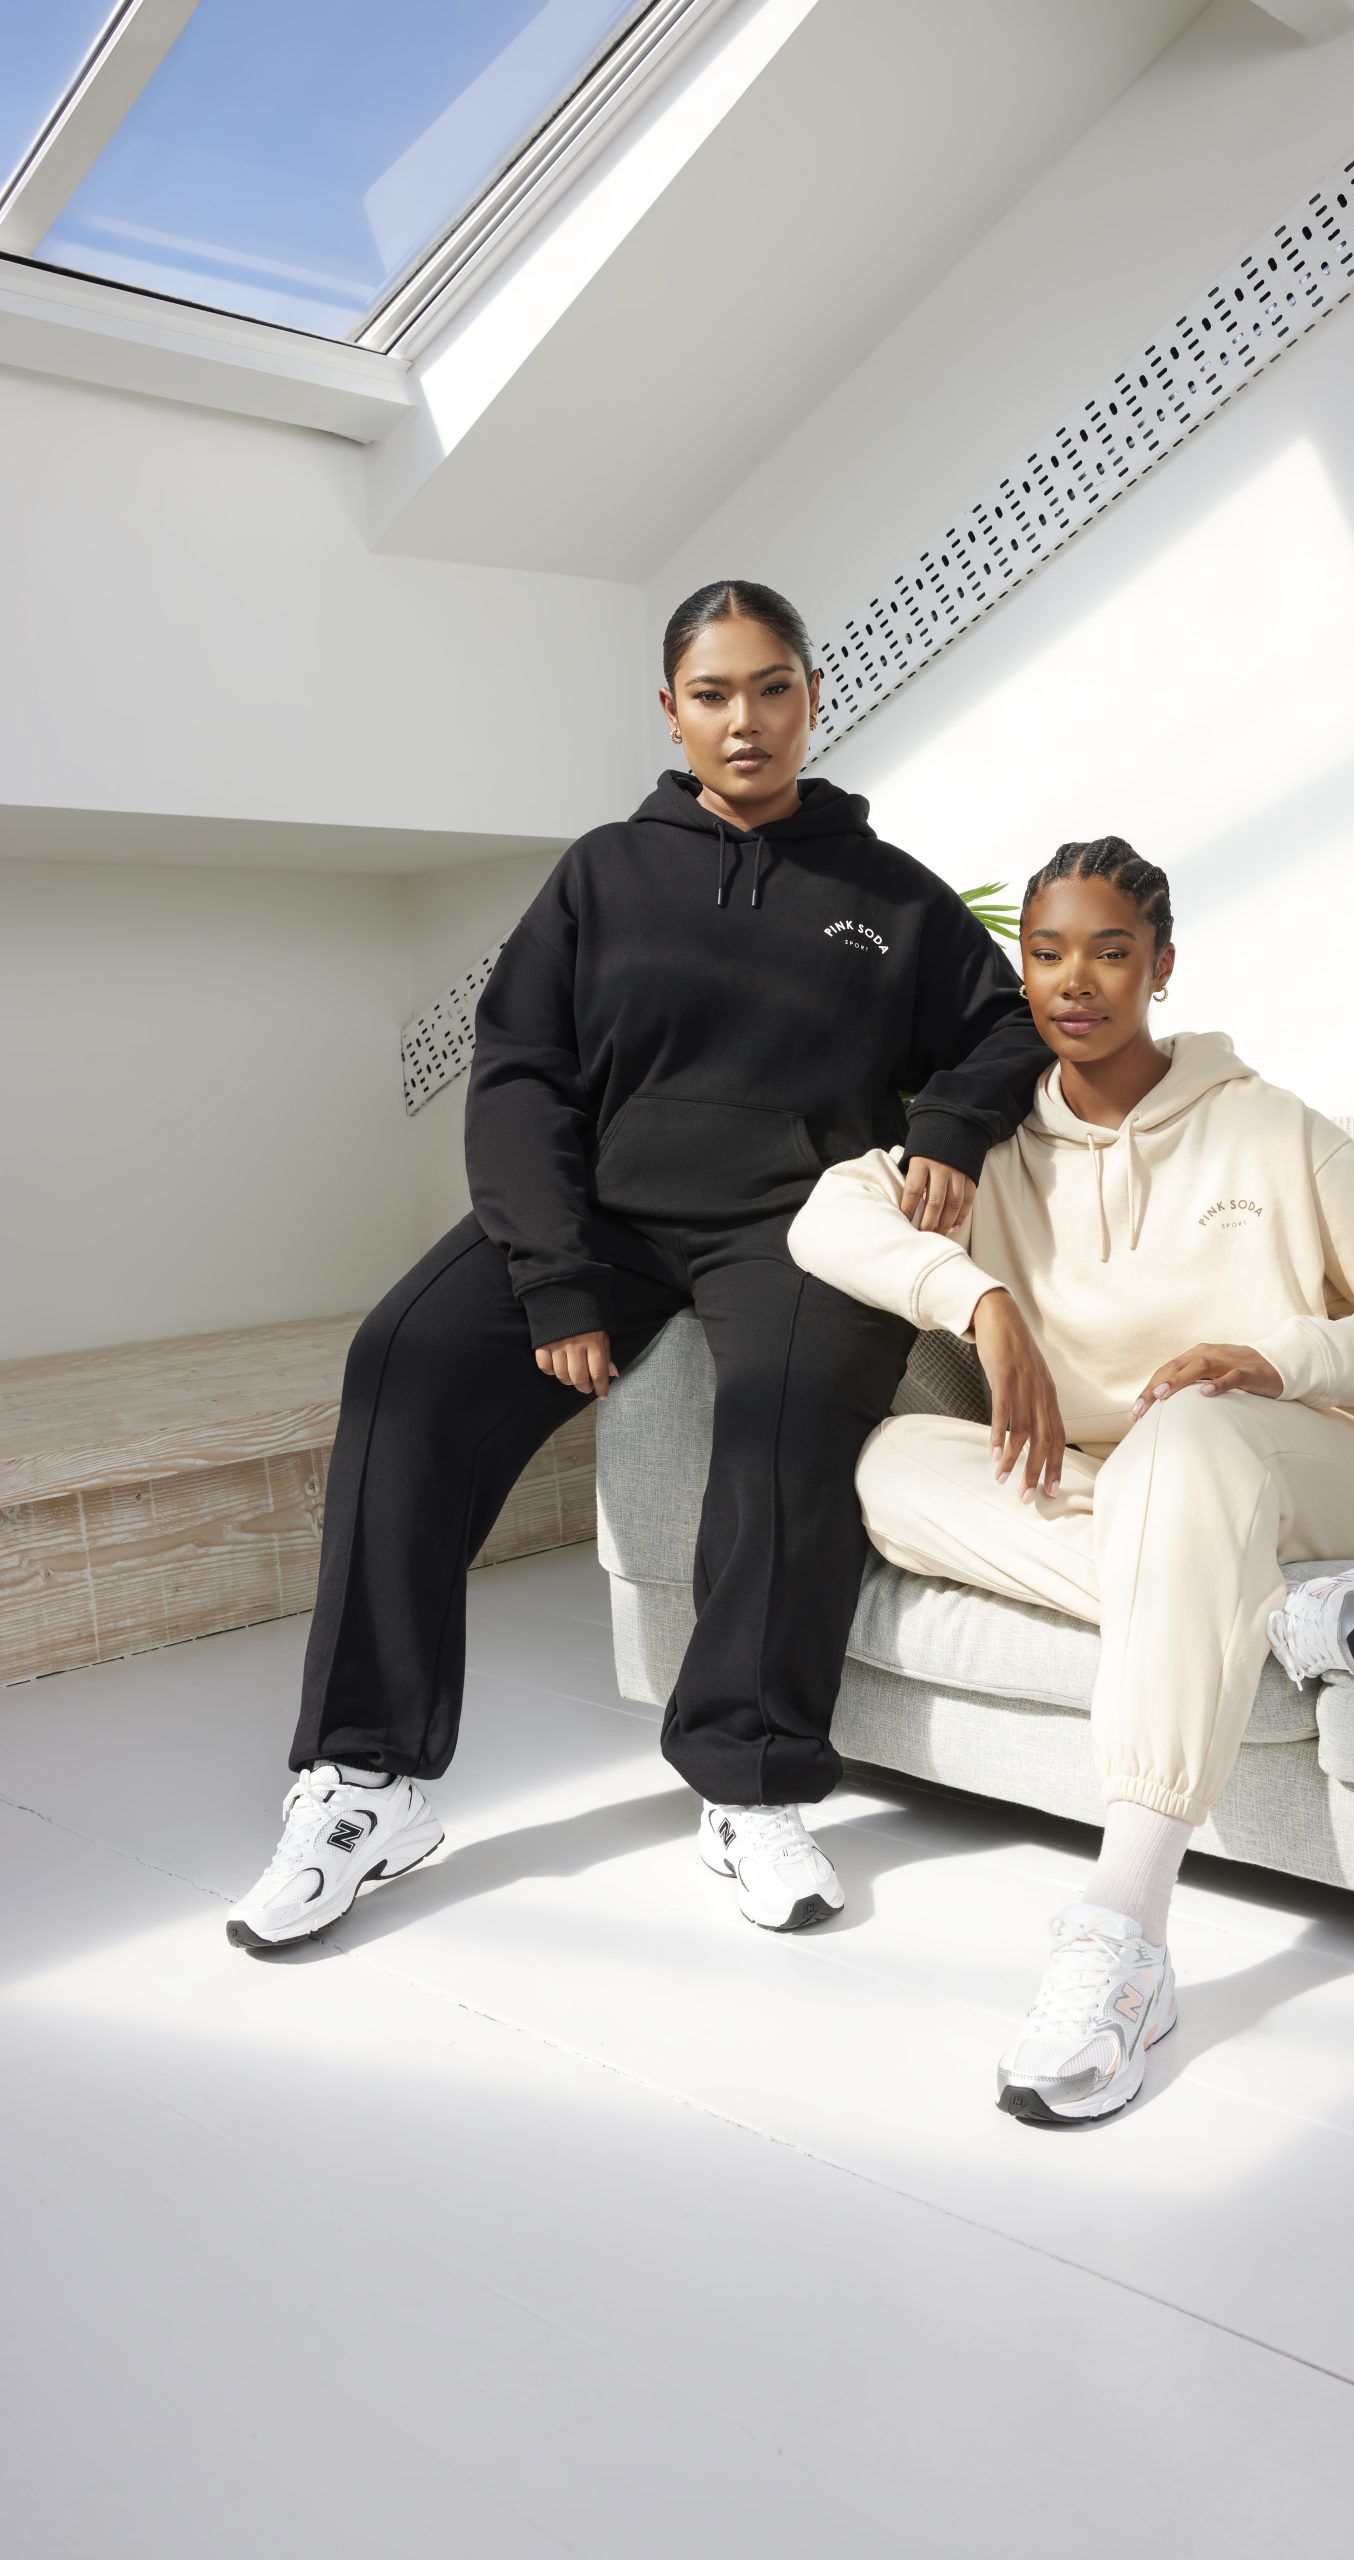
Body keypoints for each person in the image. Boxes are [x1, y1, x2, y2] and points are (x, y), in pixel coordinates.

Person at [228, 581, 1048, 1951]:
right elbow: (521, 1071)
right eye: (714, 694)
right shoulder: (603, 873)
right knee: (405, 1359)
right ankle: (365, 1778)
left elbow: (1005, 1027)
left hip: (795, 1221)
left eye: (772, 688)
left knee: (792, 1412)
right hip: (605, 1210)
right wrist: (553, 1275)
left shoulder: (890, 895)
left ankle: (747, 1784)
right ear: (672, 711)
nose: (746, 721)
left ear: (811, 697)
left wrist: (951, 1130)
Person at [788, 836, 1354, 2124]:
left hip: (1336, 1460)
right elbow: (826, 1217)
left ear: (1162, 967)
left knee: (1187, 1434)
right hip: (1133, 1482)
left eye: (1111, 952)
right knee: (894, 1462)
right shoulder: (991, 1151)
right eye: (1048, 953)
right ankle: (1287, 1616)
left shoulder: (1269, 1127)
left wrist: (1282, 1359)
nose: (1077, 981)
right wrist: (978, 1299)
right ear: (1022, 971)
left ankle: (1125, 1926)